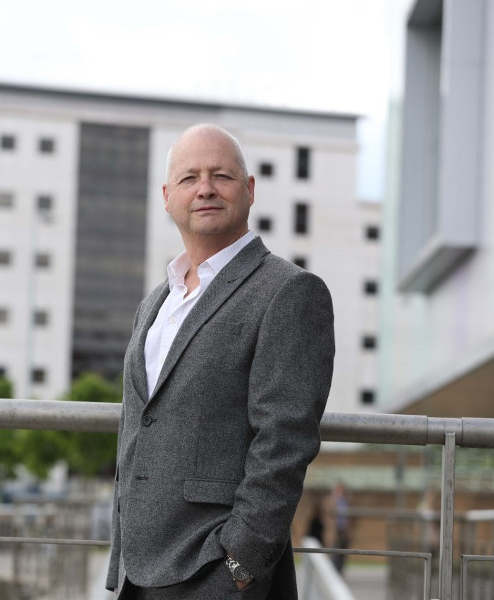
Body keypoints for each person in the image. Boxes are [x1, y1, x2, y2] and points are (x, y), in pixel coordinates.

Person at [106, 124, 335, 600]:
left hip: (215, 572)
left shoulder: (289, 292)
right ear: (168, 197)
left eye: (221, 176)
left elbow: (285, 441)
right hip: (137, 573)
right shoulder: (156, 302)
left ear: (249, 191)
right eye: (190, 178)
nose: (205, 188)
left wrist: (240, 563)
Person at [324, 482, 350, 573]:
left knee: (342, 551)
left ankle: (339, 570)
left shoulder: (346, 500)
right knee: (333, 550)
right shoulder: (330, 500)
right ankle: (332, 571)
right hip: (333, 530)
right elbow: (326, 515)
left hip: (343, 530)